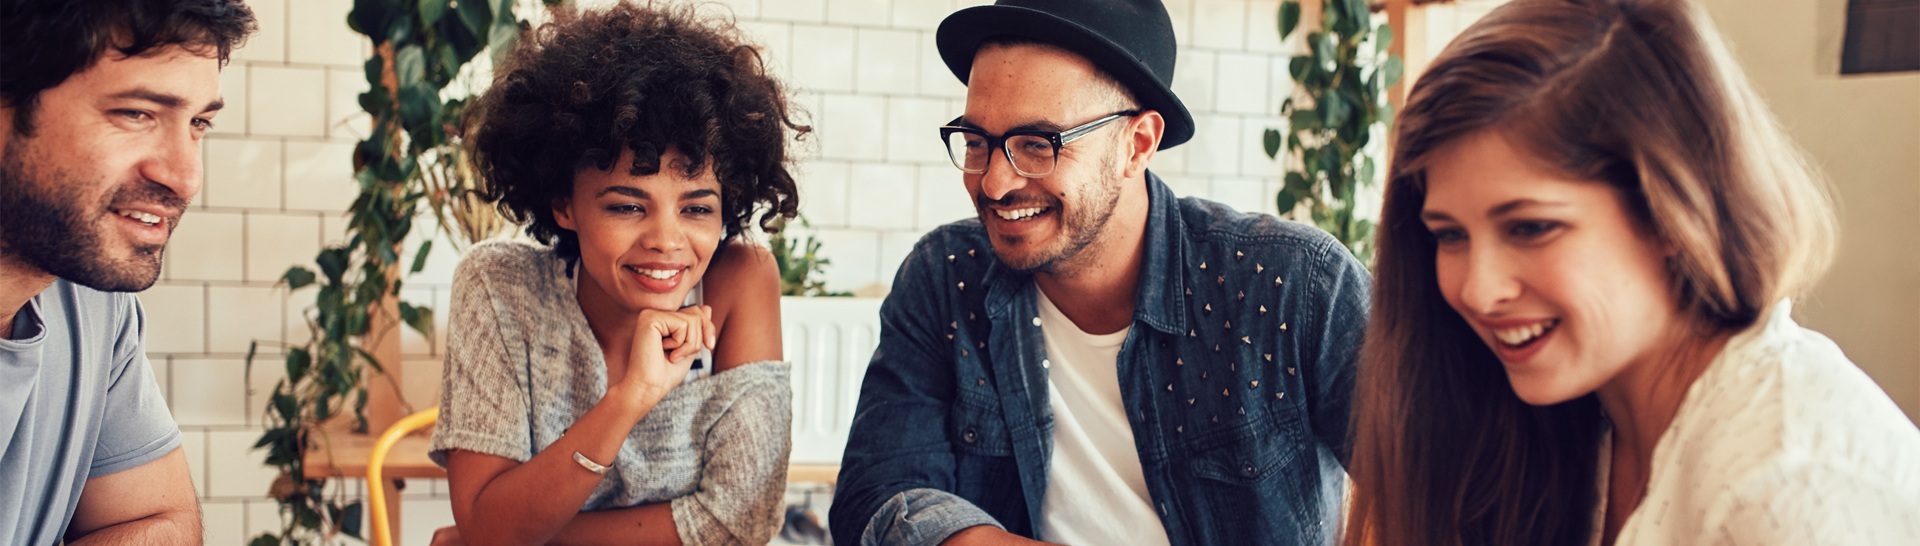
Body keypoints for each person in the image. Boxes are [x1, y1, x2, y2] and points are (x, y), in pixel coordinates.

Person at [1343, 0, 1920, 544]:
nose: (1477, 289)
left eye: (1530, 227)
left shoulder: (1793, 485)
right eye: (1450, 235)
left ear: (1674, 212)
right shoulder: (1578, 425)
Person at [829, 1, 1370, 545]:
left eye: (1036, 146)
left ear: (1137, 145)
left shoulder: (1293, 285)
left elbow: (1436, 490)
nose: (993, 184)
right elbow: (877, 494)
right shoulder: (945, 277)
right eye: (976, 143)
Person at [426, 3, 803, 545]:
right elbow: (489, 528)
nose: (667, 242)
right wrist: (631, 397)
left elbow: (741, 524)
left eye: (696, 208)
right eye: (627, 207)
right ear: (563, 203)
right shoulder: (499, 286)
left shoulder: (740, 280)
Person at [0, 0, 255, 543]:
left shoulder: (89, 295)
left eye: (199, 123)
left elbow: (159, 523)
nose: (186, 177)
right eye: (136, 113)